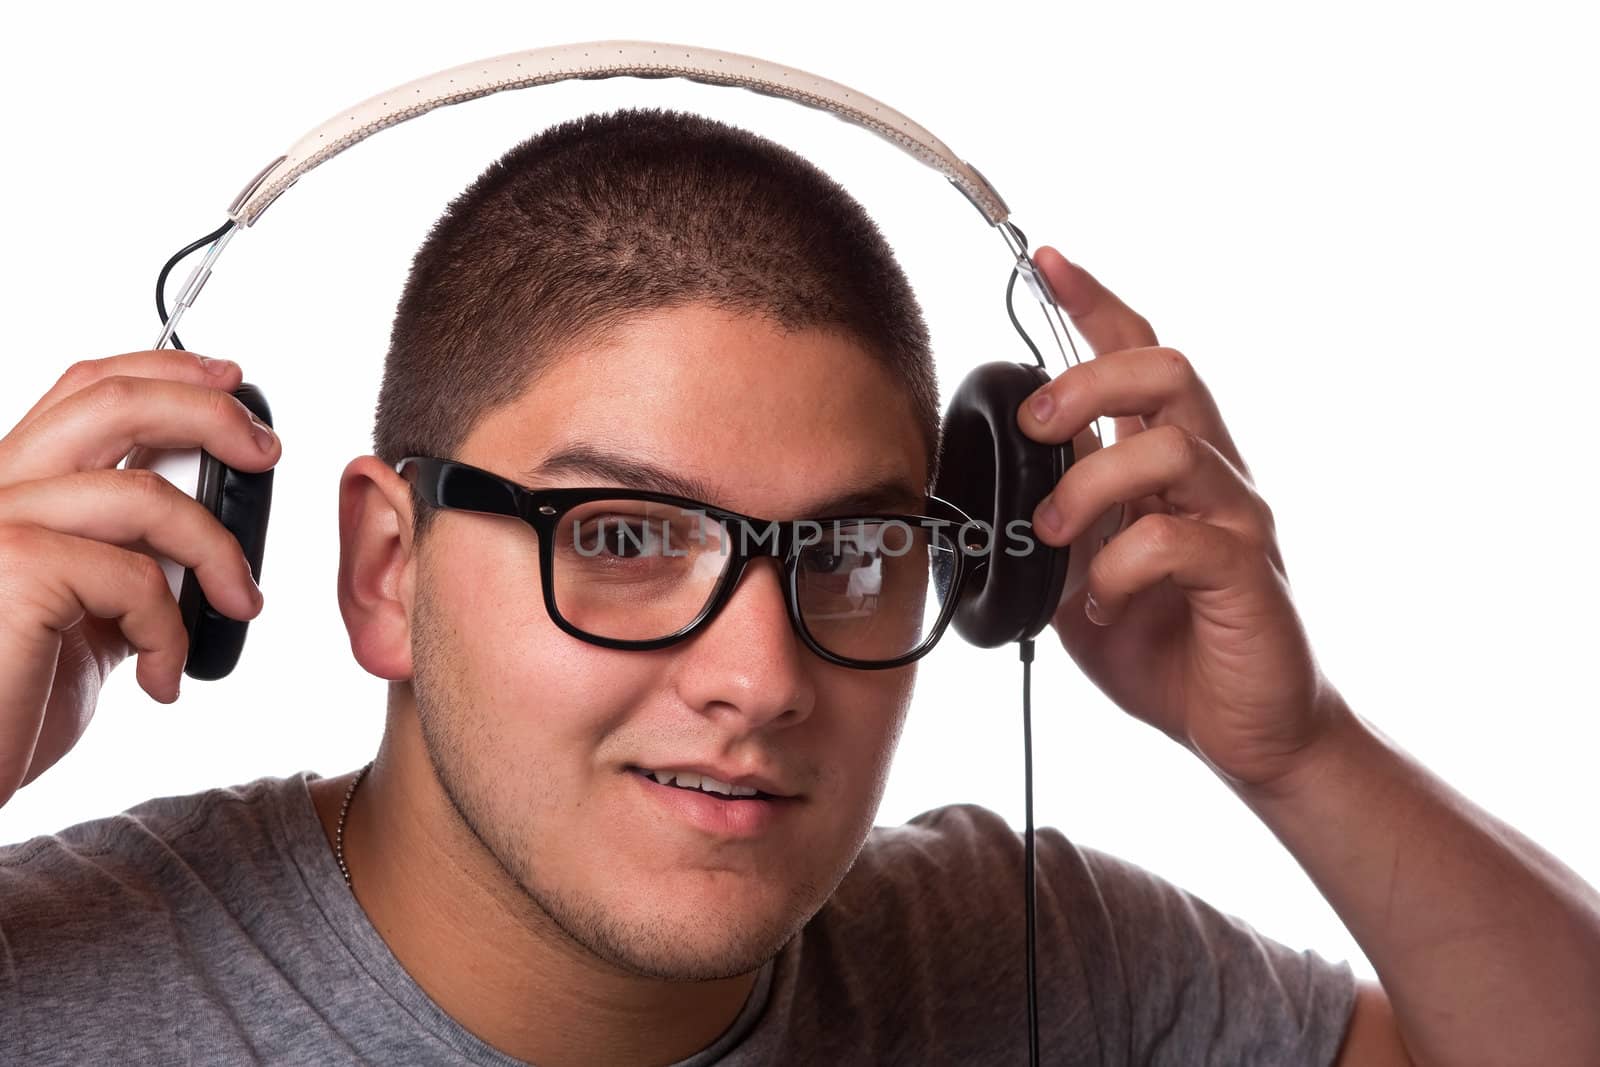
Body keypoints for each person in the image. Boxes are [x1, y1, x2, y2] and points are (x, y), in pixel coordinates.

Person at [0, 107, 1595, 1067]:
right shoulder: (46, 984)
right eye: (624, 538)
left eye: (848, 551)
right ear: (388, 572)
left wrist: (1298, 750)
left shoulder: (1028, 955)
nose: (760, 679)